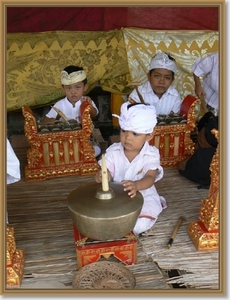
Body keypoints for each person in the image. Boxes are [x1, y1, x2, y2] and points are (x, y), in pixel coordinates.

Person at [95, 102, 167, 236]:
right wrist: (104, 175)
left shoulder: (150, 154)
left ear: (149, 136)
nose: (127, 137)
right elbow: (107, 170)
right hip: (116, 195)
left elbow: (150, 178)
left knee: (139, 225)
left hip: (143, 194)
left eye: (135, 133)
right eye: (124, 131)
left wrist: (136, 185)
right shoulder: (113, 151)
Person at [42, 65, 101, 157]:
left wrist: (88, 105)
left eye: (77, 87)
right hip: (64, 141)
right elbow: (45, 121)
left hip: (84, 139)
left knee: (96, 150)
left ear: (85, 87)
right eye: (68, 88)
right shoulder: (60, 105)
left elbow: (94, 115)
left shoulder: (86, 101)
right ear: (63, 88)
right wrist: (54, 120)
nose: (73, 92)